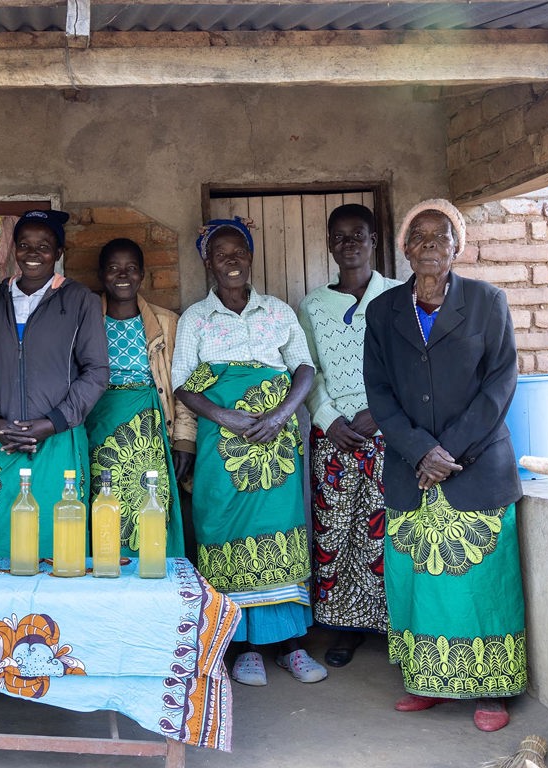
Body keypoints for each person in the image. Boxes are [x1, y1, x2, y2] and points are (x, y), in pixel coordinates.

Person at [363, 198, 526, 732]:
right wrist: (418, 450)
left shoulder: (486, 302)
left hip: (475, 467)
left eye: (441, 236)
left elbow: (499, 384)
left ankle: (491, 690)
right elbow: (380, 392)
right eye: (419, 237)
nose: (430, 244)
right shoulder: (384, 311)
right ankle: (426, 683)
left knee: (480, 583)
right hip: (412, 470)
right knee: (419, 586)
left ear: (458, 247)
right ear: (405, 250)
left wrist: (447, 451)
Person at [172, 216, 325, 687]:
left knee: (281, 529)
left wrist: (280, 415)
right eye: (222, 254)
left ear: (251, 256)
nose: (232, 260)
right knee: (223, 528)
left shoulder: (278, 311)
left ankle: (291, 646)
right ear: (208, 262)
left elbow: (304, 367)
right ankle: (243, 649)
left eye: (239, 251)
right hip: (225, 445)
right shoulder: (196, 318)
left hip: (275, 441)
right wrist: (228, 418)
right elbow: (182, 384)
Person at [0, 209, 109, 559]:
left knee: (58, 546)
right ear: (13, 249)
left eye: (44, 246)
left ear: (58, 253)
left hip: (58, 441)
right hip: (0, 441)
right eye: (24, 244)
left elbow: (97, 371)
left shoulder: (79, 300)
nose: (32, 253)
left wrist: (53, 422)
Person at [297, 204, 401, 667]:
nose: (348, 244)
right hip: (335, 437)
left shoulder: (400, 296)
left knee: (386, 531)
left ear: (374, 240)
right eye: (339, 237)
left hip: (390, 434)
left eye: (357, 235)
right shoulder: (313, 305)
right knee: (336, 531)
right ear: (329, 244)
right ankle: (345, 627)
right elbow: (308, 371)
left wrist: (378, 414)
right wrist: (328, 420)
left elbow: (410, 370)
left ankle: (392, 624)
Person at [86, 238, 193, 557]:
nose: (123, 274)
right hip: (97, 427)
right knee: (100, 507)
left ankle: (150, 593)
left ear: (143, 274)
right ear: (101, 273)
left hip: (149, 430)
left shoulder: (166, 322)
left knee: (148, 506)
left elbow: (184, 383)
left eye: (131, 268)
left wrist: (184, 440)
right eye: (114, 268)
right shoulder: (86, 319)